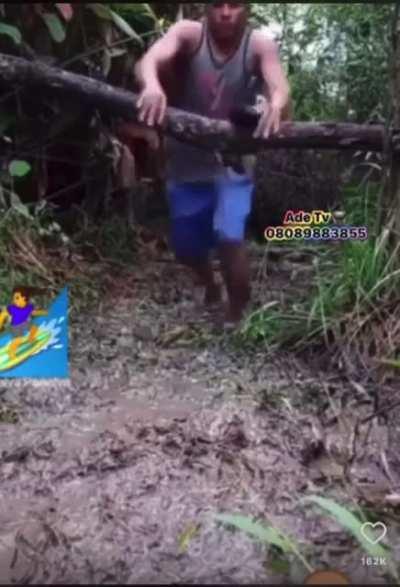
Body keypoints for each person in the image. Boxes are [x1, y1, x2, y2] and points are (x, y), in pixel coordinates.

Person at [134, 2, 291, 324]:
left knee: (230, 236)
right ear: (207, 9)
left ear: (247, 9)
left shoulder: (258, 45)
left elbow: (279, 84)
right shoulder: (189, 34)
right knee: (187, 248)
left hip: (232, 163)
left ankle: (237, 316)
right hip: (185, 160)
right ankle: (210, 283)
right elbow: (150, 60)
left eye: (234, 5)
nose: (226, 12)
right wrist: (151, 85)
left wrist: (276, 104)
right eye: (218, 4)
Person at [0, 286, 48, 359]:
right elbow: (3, 314)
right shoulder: (12, 308)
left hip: (25, 322)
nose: (14, 300)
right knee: (18, 340)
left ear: (24, 298)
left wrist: (42, 312)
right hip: (16, 326)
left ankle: (31, 338)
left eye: (17, 298)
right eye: (14, 298)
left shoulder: (29, 307)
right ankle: (11, 351)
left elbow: (33, 312)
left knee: (34, 328)